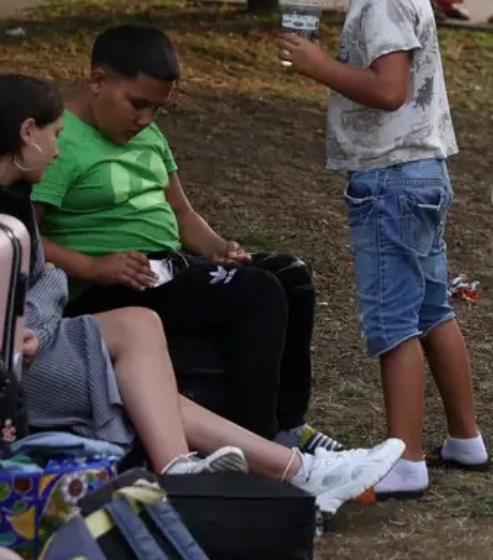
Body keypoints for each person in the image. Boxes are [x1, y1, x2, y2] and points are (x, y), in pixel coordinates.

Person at [0, 74, 406, 515]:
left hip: (32, 342)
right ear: (27, 133)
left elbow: (35, 286)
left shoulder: (5, 192)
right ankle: (281, 471)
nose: (57, 150)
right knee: (139, 373)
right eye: (54, 136)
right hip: (2, 372)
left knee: (142, 327)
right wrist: (36, 320)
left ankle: (260, 471)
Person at [31, 24, 344, 458]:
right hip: (109, 287)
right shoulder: (61, 141)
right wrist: (92, 266)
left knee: (289, 276)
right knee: (257, 294)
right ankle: (257, 445)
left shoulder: (147, 136)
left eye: (156, 109)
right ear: (98, 80)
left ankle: (289, 426)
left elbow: (180, 213)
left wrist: (219, 249)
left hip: (165, 268)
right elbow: (25, 235)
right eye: (137, 104)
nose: (144, 120)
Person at [277, 0, 489, 500]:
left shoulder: (378, 1)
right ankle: (464, 438)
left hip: (391, 181)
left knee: (393, 322)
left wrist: (319, 67)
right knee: (431, 311)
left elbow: (389, 88)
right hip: (421, 174)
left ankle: (405, 459)